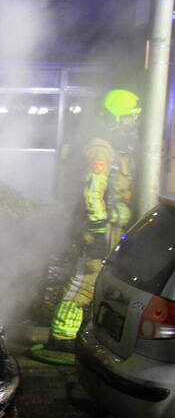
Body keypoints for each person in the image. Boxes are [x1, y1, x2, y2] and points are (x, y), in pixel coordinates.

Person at [48, 88, 140, 353]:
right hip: (96, 228)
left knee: (94, 278)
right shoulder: (101, 149)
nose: (132, 124)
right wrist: (98, 230)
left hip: (110, 228)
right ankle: (62, 335)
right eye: (128, 118)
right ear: (114, 118)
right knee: (85, 277)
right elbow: (92, 191)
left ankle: (73, 331)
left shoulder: (117, 148)